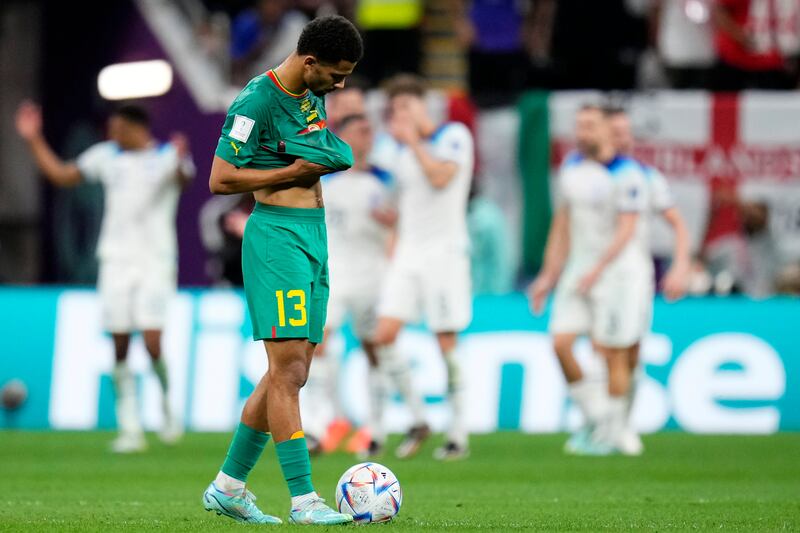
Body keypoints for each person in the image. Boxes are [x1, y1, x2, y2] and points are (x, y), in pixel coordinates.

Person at [202, 15, 362, 525]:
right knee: (289, 370)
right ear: (309, 61)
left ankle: (228, 485)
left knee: (287, 371)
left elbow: (332, 150)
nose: (341, 85)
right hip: (276, 238)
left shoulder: (310, 95)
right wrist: (292, 171)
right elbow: (221, 177)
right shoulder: (256, 101)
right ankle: (304, 500)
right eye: (336, 75)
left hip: (313, 235)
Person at [15, 102, 194, 453]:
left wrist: (181, 159)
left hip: (155, 262)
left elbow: (185, 179)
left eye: (118, 128)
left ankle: (168, 409)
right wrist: (33, 139)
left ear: (136, 128)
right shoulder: (105, 157)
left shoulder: (167, 155)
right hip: (115, 261)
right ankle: (130, 428)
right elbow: (62, 176)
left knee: (153, 342)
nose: (112, 133)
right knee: (120, 343)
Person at [527, 104, 649, 455]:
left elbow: (627, 230)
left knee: (614, 352)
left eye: (591, 126)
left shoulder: (628, 174)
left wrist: (599, 267)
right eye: (579, 126)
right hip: (578, 271)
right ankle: (598, 419)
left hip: (616, 274)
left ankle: (615, 431)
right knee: (560, 342)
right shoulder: (572, 168)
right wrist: (548, 275)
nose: (583, 133)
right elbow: (563, 224)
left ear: (608, 131)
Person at [371, 74, 475, 461]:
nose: (400, 116)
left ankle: (459, 431)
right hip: (409, 254)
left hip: (445, 253)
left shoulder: (453, 137)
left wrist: (413, 141)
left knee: (445, 340)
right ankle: (418, 417)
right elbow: (401, 205)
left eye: (406, 107)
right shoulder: (399, 154)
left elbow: (440, 178)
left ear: (423, 105)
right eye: (394, 110)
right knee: (383, 335)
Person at [600, 107, 692, 454]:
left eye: (627, 131)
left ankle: (621, 425)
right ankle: (607, 425)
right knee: (605, 349)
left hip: (630, 275)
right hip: (593, 275)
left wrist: (681, 265)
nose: (623, 138)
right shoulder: (585, 174)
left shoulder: (646, 177)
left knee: (628, 349)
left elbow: (677, 223)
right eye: (616, 131)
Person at [311, 113, 396, 457]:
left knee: (375, 349)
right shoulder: (323, 180)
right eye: (359, 131)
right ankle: (319, 423)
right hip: (335, 272)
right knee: (318, 342)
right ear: (342, 138)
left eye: (368, 130)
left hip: (374, 275)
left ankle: (376, 426)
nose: (367, 136)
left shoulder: (386, 180)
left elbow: (400, 227)